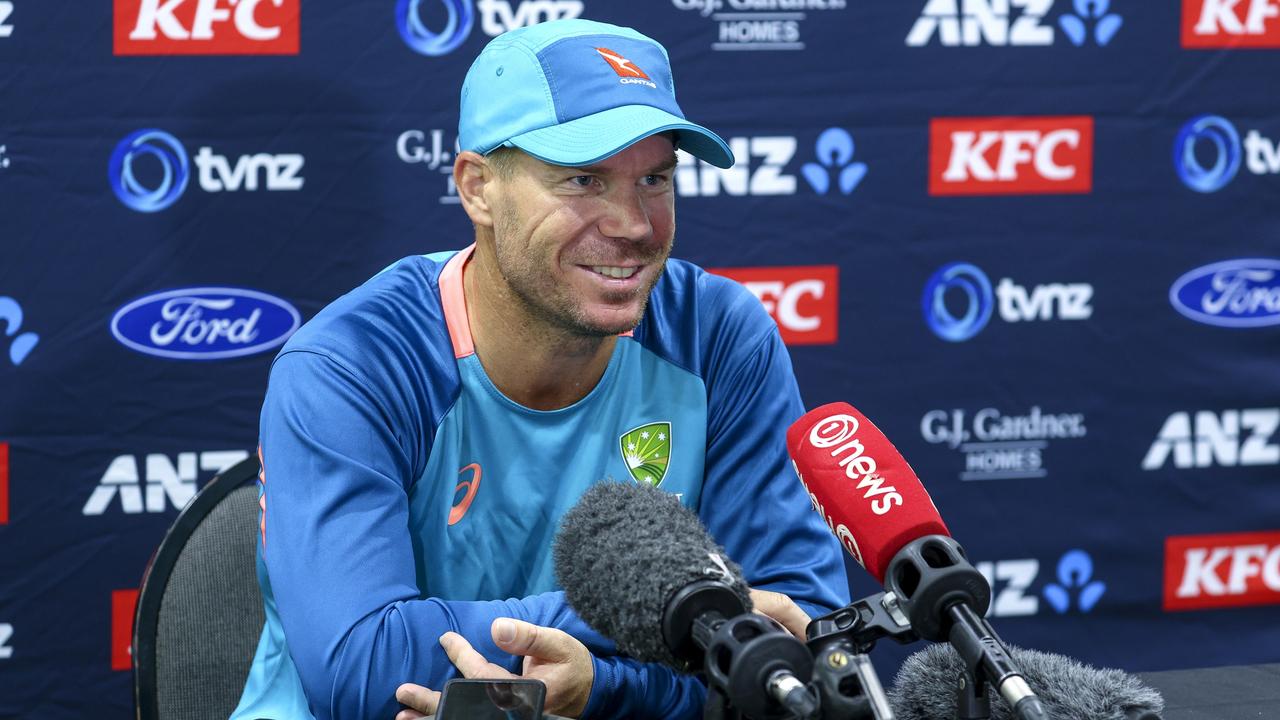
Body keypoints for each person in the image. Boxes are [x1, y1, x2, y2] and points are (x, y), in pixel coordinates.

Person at [230, 18, 849, 720]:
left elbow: (796, 659)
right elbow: (363, 668)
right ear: (477, 188)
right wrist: (683, 610)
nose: (635, 224)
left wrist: (604, 688)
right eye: (583, 180)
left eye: (655, 178)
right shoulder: (353, 364)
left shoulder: (717, 336)